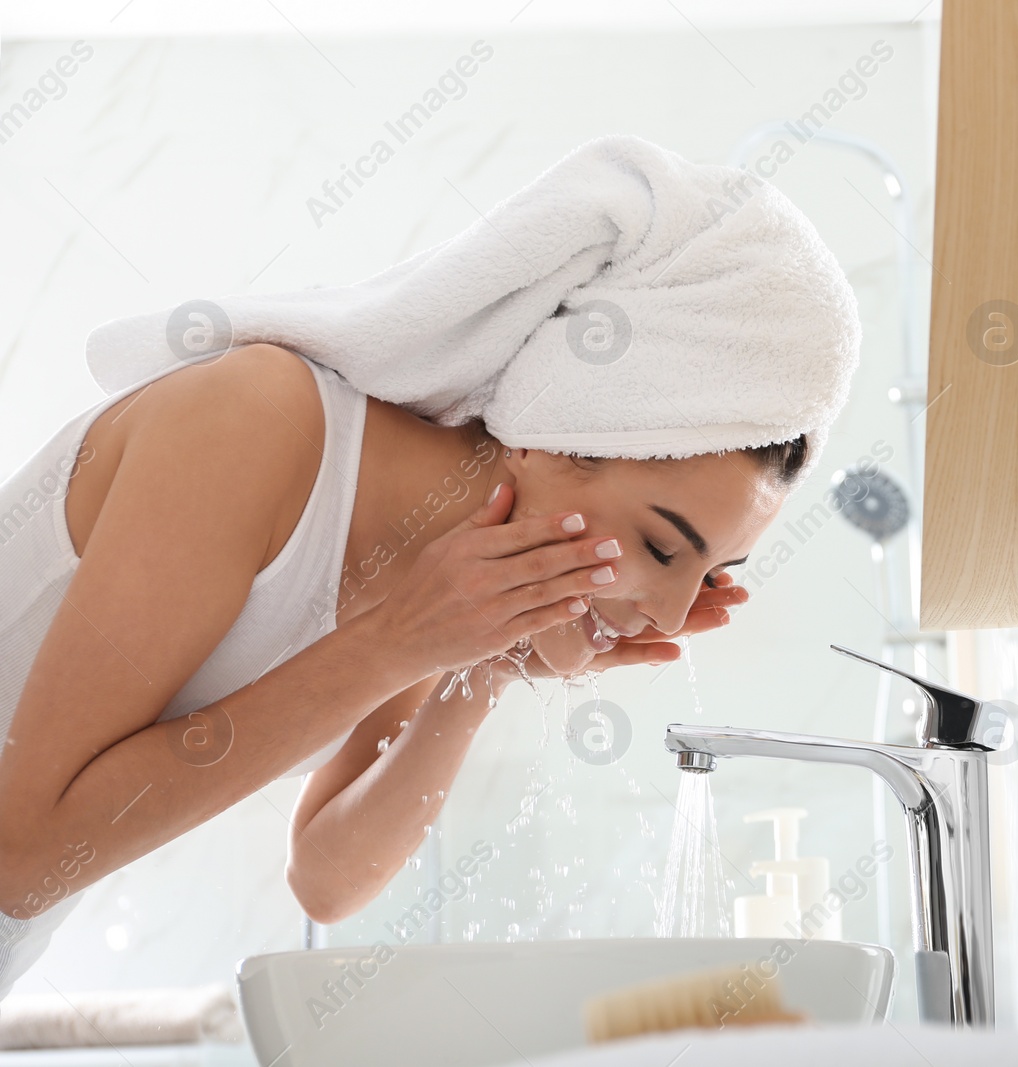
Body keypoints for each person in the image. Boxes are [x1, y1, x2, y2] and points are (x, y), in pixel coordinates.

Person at [0, 134, 860, 1000]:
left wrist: (484, 661)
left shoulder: (436, 568)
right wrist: (396, 643)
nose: (673, 617)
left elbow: (327, 877)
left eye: (711, 572)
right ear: (553, 434)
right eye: (662, 547)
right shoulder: (254, 421)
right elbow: (25, 857)